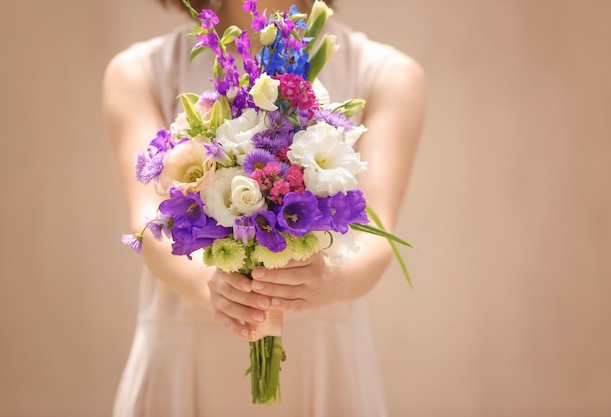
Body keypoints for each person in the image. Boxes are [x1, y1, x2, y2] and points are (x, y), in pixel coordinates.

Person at [103, 0, 424, 415]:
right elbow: (148, 219)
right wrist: (215, 289)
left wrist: (328, 284)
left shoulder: (390, 75)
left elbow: (378, 234)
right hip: (185, 354)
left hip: (322, 357)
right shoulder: (138, 72)